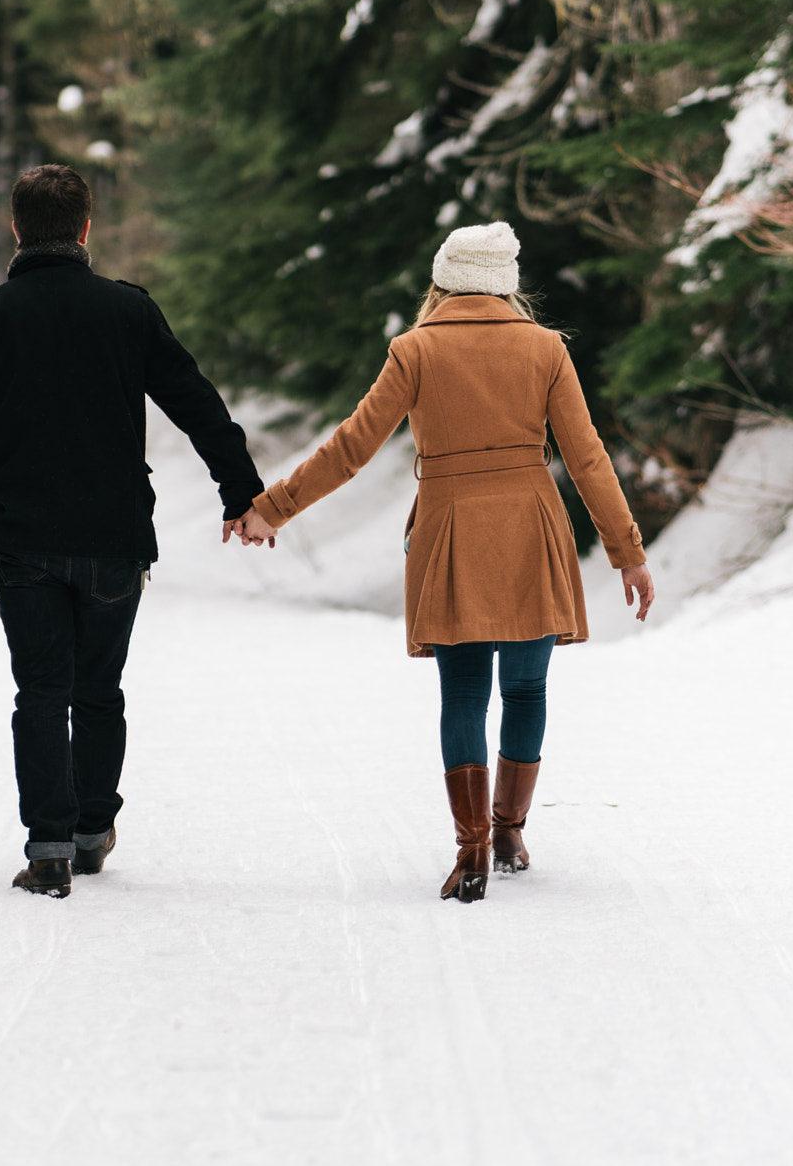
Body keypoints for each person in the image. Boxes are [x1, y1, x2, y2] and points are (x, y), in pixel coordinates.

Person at [230, 221, 656, 903]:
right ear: (504, 284)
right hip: (530, 527)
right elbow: (586, 457)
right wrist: (627, 553)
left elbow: (351, 447)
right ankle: (510, 829)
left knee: (463, 696)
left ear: (444, 280)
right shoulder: (546, 349)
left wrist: (271, 508)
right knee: (526, 690)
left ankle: (473, 851)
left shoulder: (416, 349)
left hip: (450, 531)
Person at [0, 164, 265, 899]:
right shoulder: (126, 312)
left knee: (40, 692)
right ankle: (92, 831)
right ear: (86, 229)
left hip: (22, 539)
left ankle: (47, 848)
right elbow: (197, 405)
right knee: (99, 689)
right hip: (114, 537)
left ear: (15, 228)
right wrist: (240, 491)